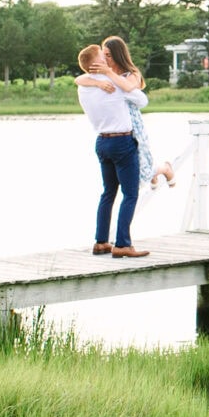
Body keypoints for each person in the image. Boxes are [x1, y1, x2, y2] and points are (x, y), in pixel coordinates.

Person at [75, 43, 149, 258]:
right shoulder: (113, 84)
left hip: (102, 142)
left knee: (108, 193)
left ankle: (101, 242)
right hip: (122, 142)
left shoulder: (84, 87)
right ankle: (123, 244)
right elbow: (142, 100)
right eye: (102, 56)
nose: (107, 60)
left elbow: (80, 78)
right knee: (130, 194)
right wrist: (115, 78)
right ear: (96, 63)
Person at [95, 34, 175, 191]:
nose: (106, 60)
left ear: (118, 56)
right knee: (132, 171)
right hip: (116, 126)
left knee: (140, 167)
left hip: (133, 126)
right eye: (104, 55)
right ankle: (153, 173)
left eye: (109, 55)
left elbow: (128, 87)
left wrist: (108, 75)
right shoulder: (106, 76)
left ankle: (164, 169)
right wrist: (97, 81)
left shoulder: (132, 74)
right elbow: (79, 80)